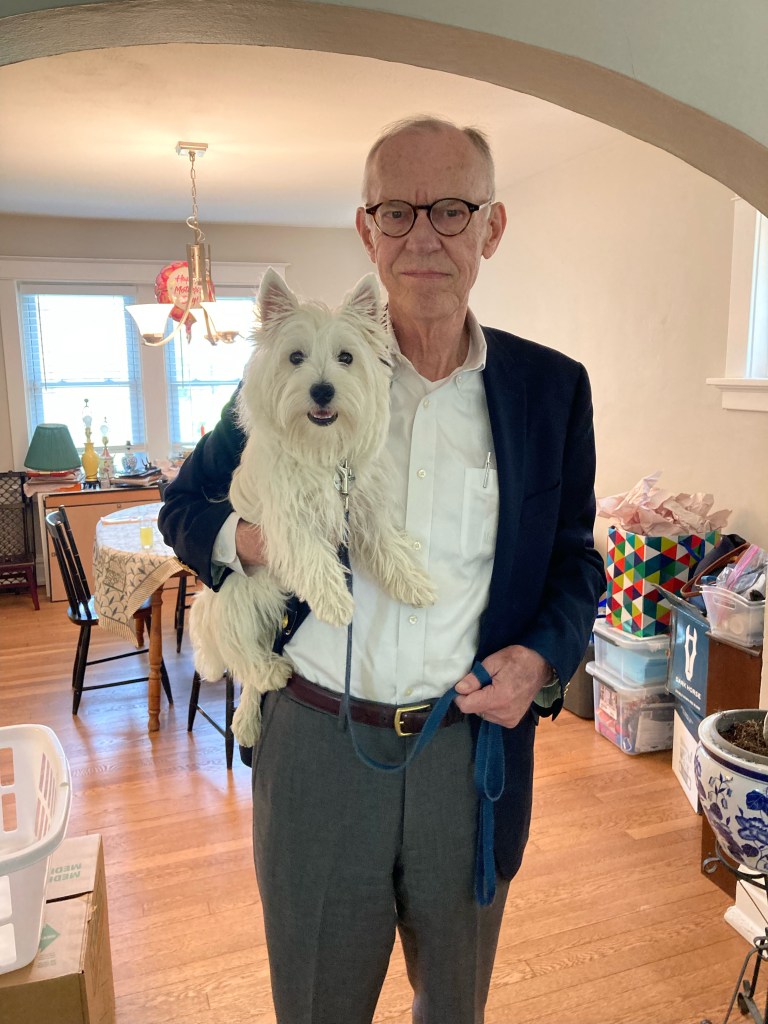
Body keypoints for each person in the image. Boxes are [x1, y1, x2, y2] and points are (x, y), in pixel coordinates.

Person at [159, 115, 605, 1024]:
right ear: (367, 231)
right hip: (316, 744)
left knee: (455, 1005)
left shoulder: (550, 390)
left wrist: (540, 661)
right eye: (397, 211)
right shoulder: (300, 370)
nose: (423, 236)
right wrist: (256, 543)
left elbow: (575, 560)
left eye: (452, 209)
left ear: (492, 227)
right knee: (318, 1003)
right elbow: (183, 507)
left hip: (468, 751)